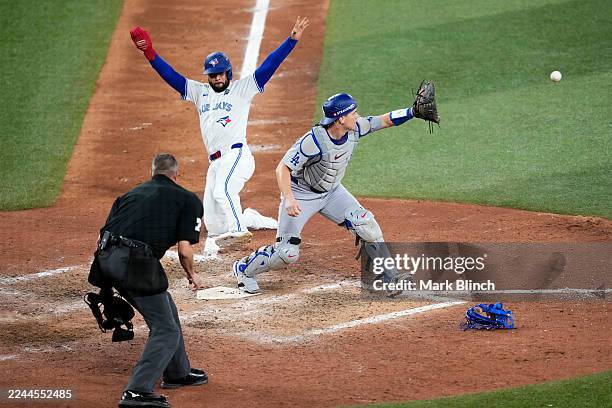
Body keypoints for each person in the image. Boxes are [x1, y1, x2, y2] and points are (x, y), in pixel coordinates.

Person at [129, 17, 310, 259]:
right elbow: (171, 76)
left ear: (228, 73)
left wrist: (291, 41)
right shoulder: (199, 92)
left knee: (223, 191)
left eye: (220, 74)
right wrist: (149, 53)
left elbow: (268, 66)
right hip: (215, 163)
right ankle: (248, 217)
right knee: (213, 224)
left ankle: (239, 228)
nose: (216, 78)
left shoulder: (241, 89)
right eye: (212, 75)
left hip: (236, 155)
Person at [231, 85, 440, 294]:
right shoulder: (312, 142)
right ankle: (244, 269)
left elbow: (385, 120)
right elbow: (283, 168)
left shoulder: (356, 128)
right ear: (340, 118)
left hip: (332, 193)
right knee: (287, 253)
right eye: (352, 112)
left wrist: (412, 112)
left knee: (367, 225)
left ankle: (390, 277)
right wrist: (289, 198)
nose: (357, 115)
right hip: (302, 195)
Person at [88, 154, 207, 408]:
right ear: (177, 174)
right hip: (135, 263)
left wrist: (107, 285)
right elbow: (185, 250)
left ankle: (178, 372)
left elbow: (103, 236)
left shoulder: (129, 195)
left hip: (105, 258)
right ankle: (137, 391)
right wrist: (191, 274)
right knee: (165, 329)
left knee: (167, 310)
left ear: (152, 172)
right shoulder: (188, 199)